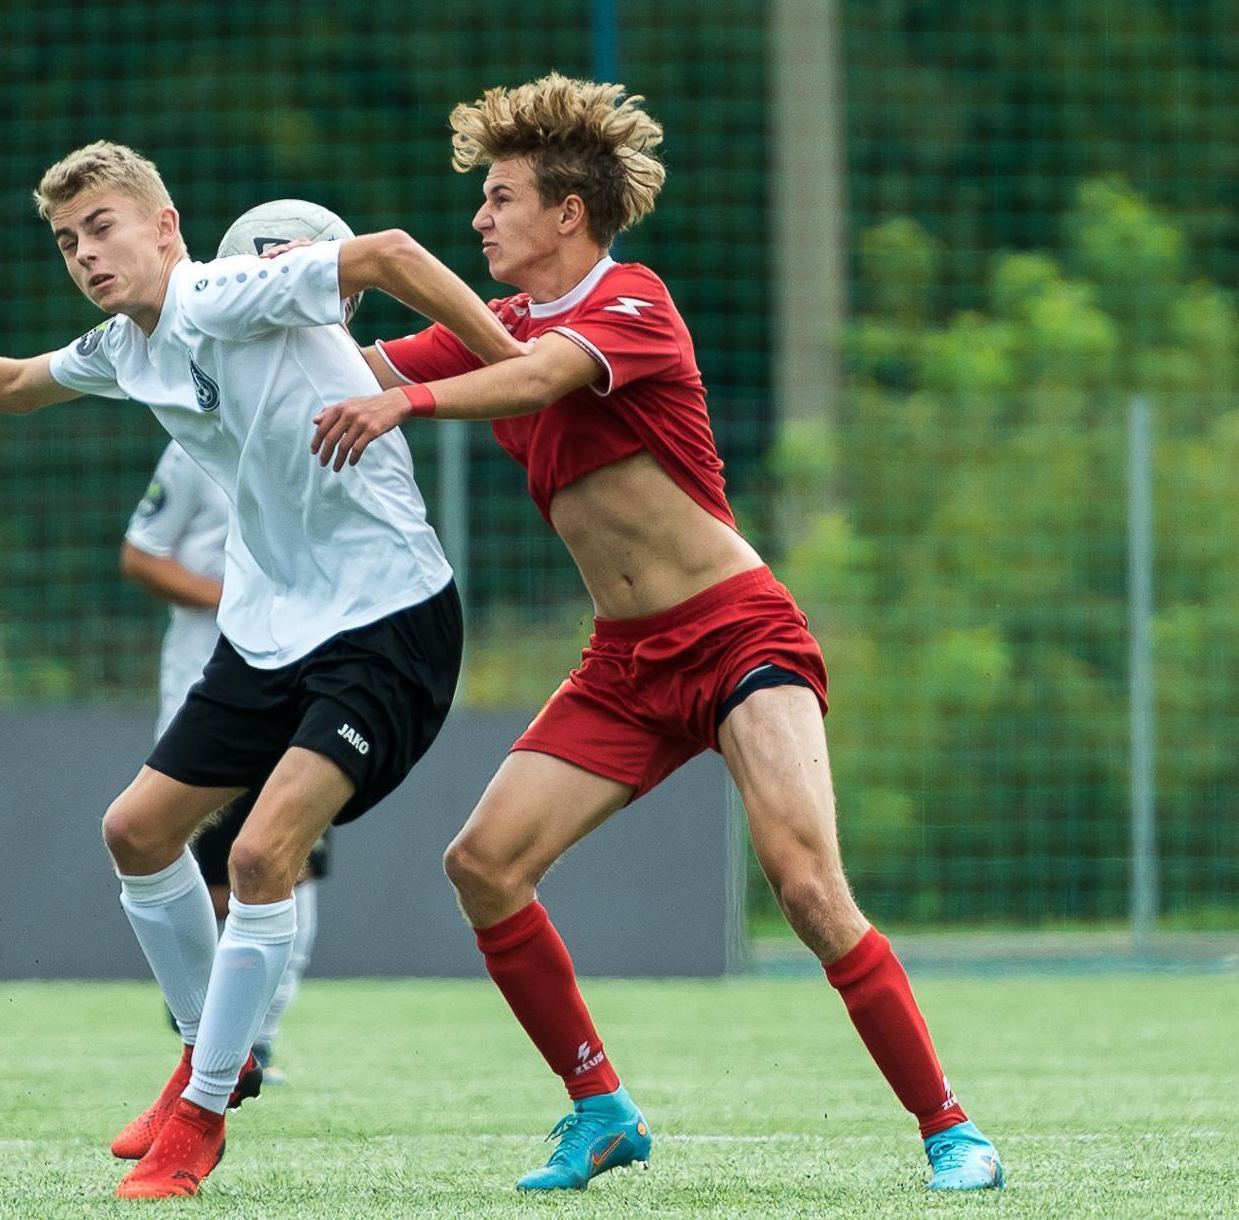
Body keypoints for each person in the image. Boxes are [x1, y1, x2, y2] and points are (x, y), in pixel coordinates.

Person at [0, 143, 516, 1199]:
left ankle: (201, 1113)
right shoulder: (129, 345)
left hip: (387, 618)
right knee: (134, 831)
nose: (85, 252)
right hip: (269, 626)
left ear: (166, 226)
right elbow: (17, 382)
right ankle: (208, 1052)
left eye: (102, 226)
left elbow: (392, 253)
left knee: (260, 855)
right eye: (66, 239)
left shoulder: (229, 291)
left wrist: (514, 372)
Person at [310, 73, 1004, 1193]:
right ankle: (601, 1109)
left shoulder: (631, 302)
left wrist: (407, 401)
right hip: (625, 665)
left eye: (499, 197)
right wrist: (231, 316)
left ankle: (950, 1128)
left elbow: (536, 378)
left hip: (737, 636)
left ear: (566, 212)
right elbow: (344, 374)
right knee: (483, 865)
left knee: (805, 885)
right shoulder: (495, 328)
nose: (478, 219)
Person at [120, 202, 356, 1084]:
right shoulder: (198, 429)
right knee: (208, 862)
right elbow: (140, 552)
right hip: (208, 675)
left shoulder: (342, 405)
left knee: (292, 858)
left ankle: (255, 1040)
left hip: (307, 671)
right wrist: (235, 593)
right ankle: (207, 1031)